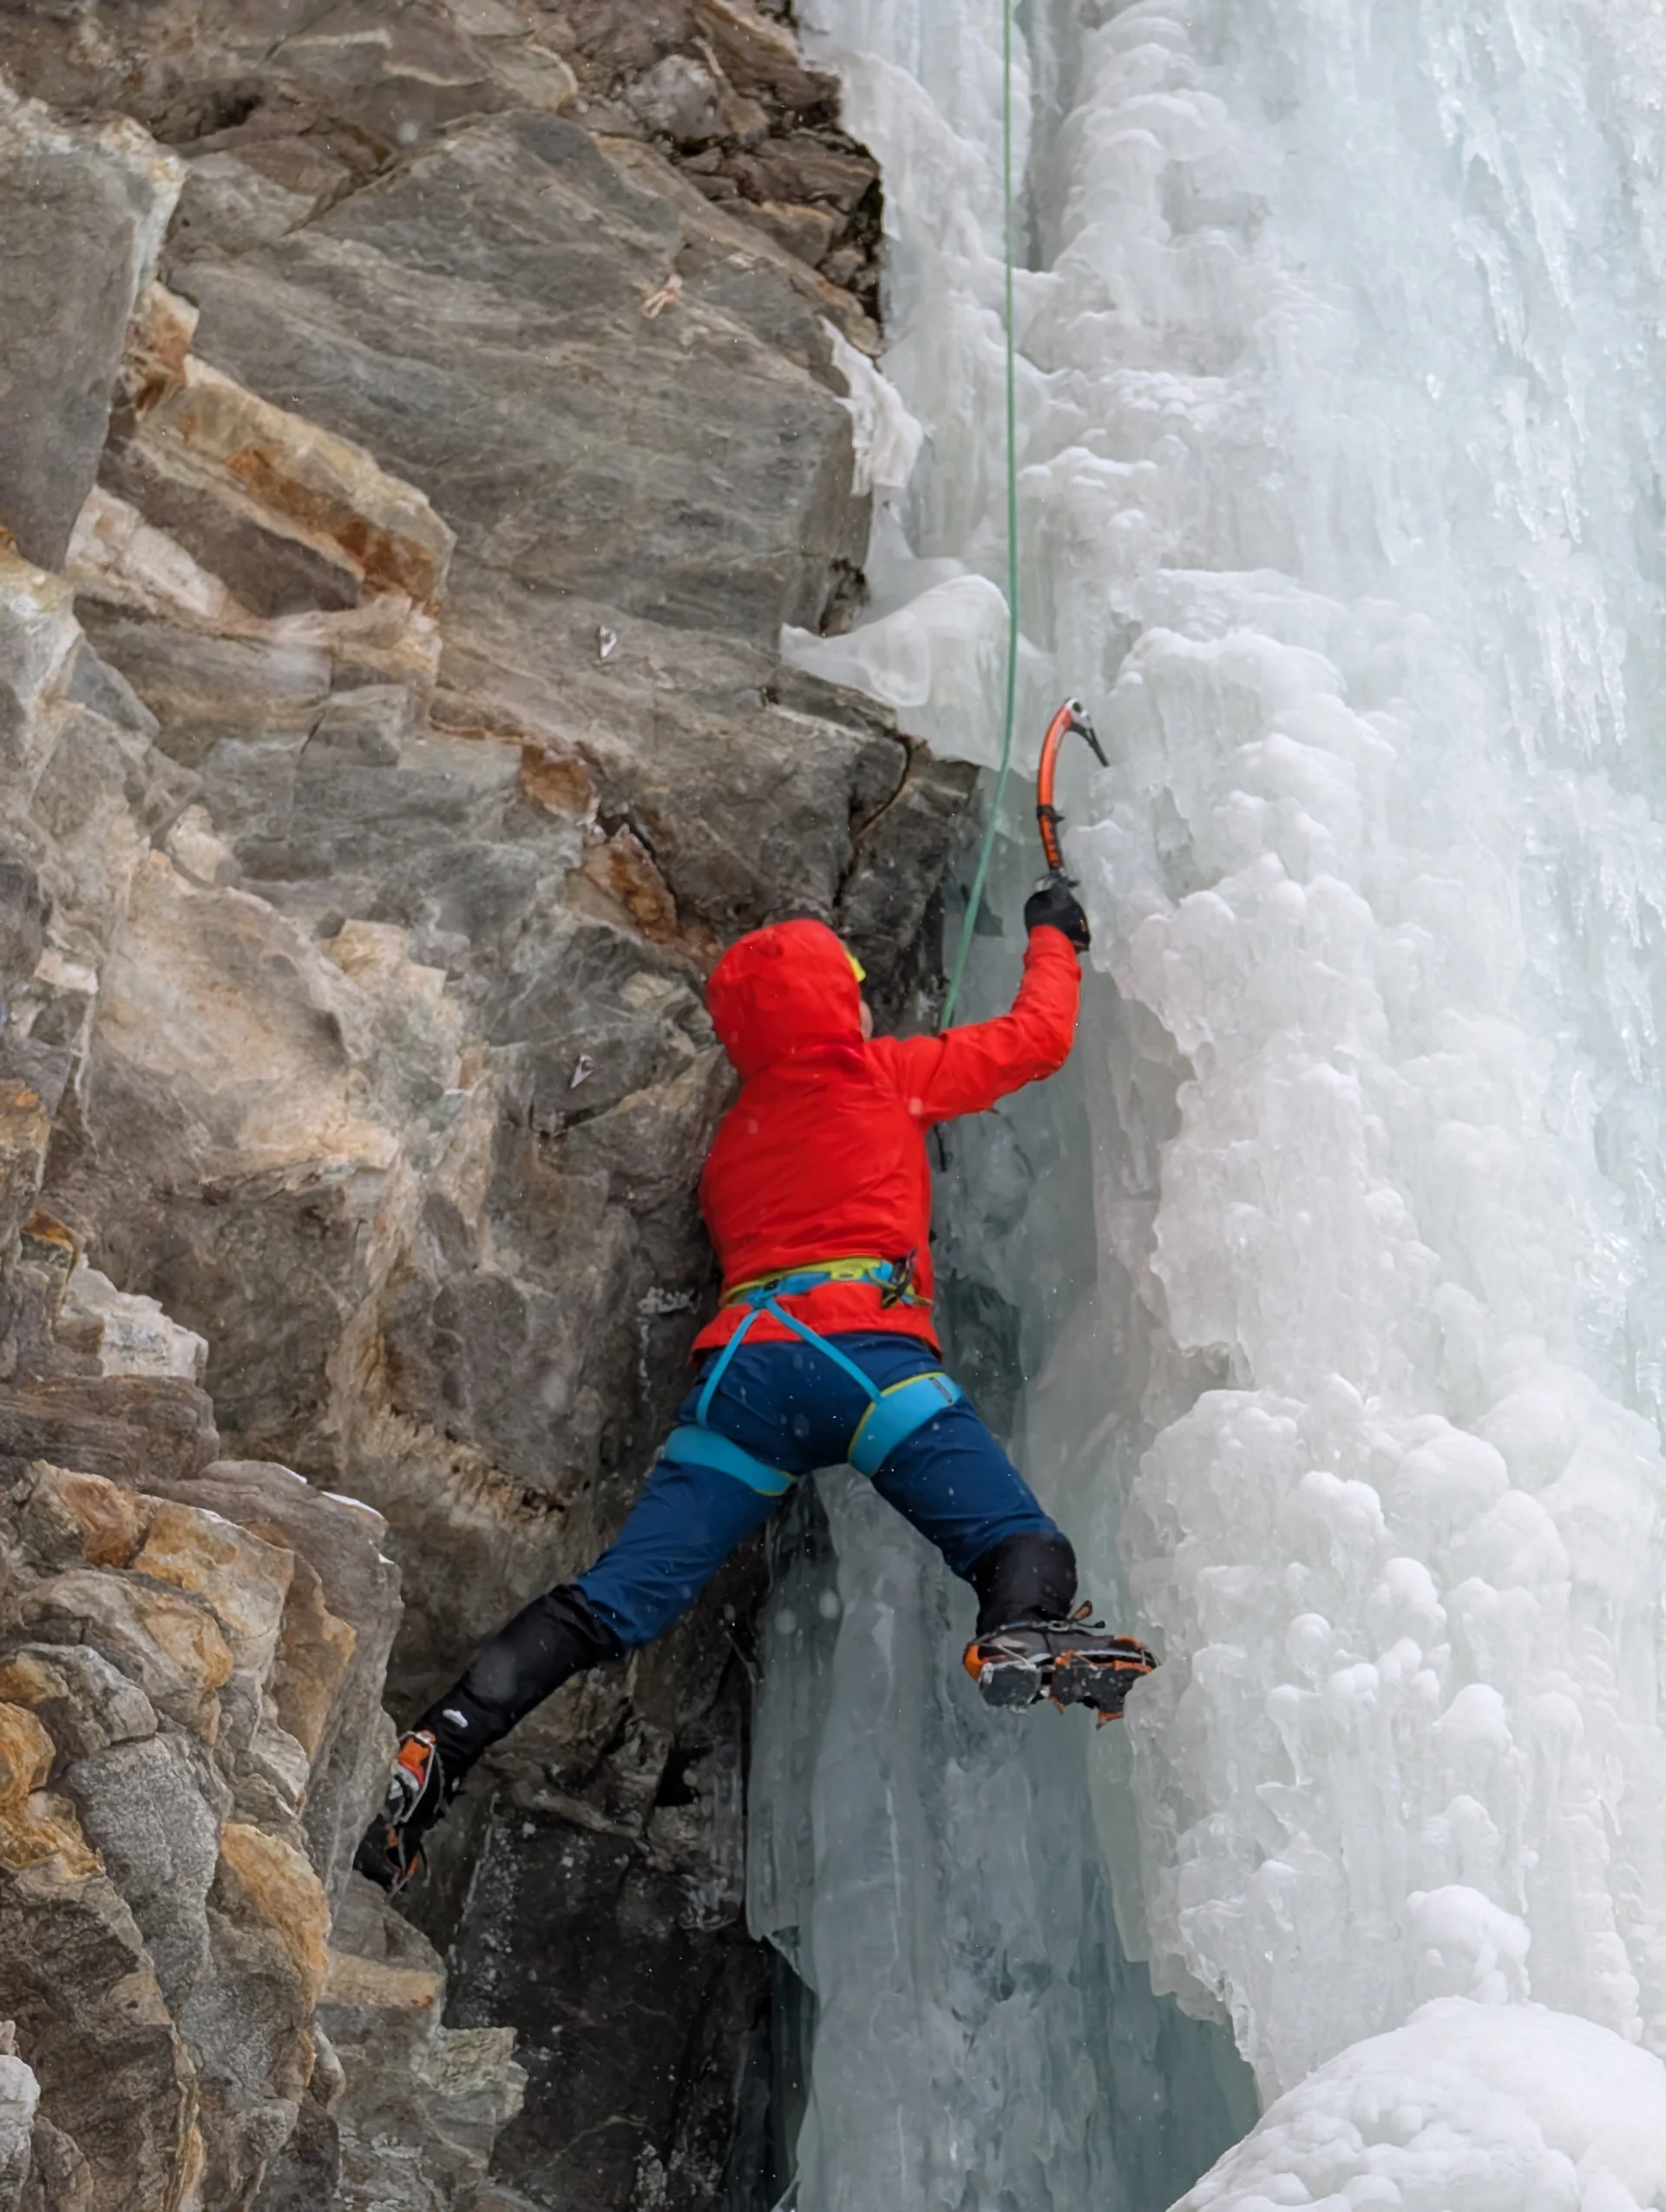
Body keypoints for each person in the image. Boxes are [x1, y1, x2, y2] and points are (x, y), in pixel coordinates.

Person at [357, 880, 1154, 1892]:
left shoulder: (732, 1146)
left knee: (615, 1603)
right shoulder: (881, 1072)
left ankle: (440, 1747)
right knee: (1020, 1545)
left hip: (742, 1378)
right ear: (839, 1005)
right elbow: (1037, 1038)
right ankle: (1019, 1627)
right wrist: (1055, 932)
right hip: (860, 1356)